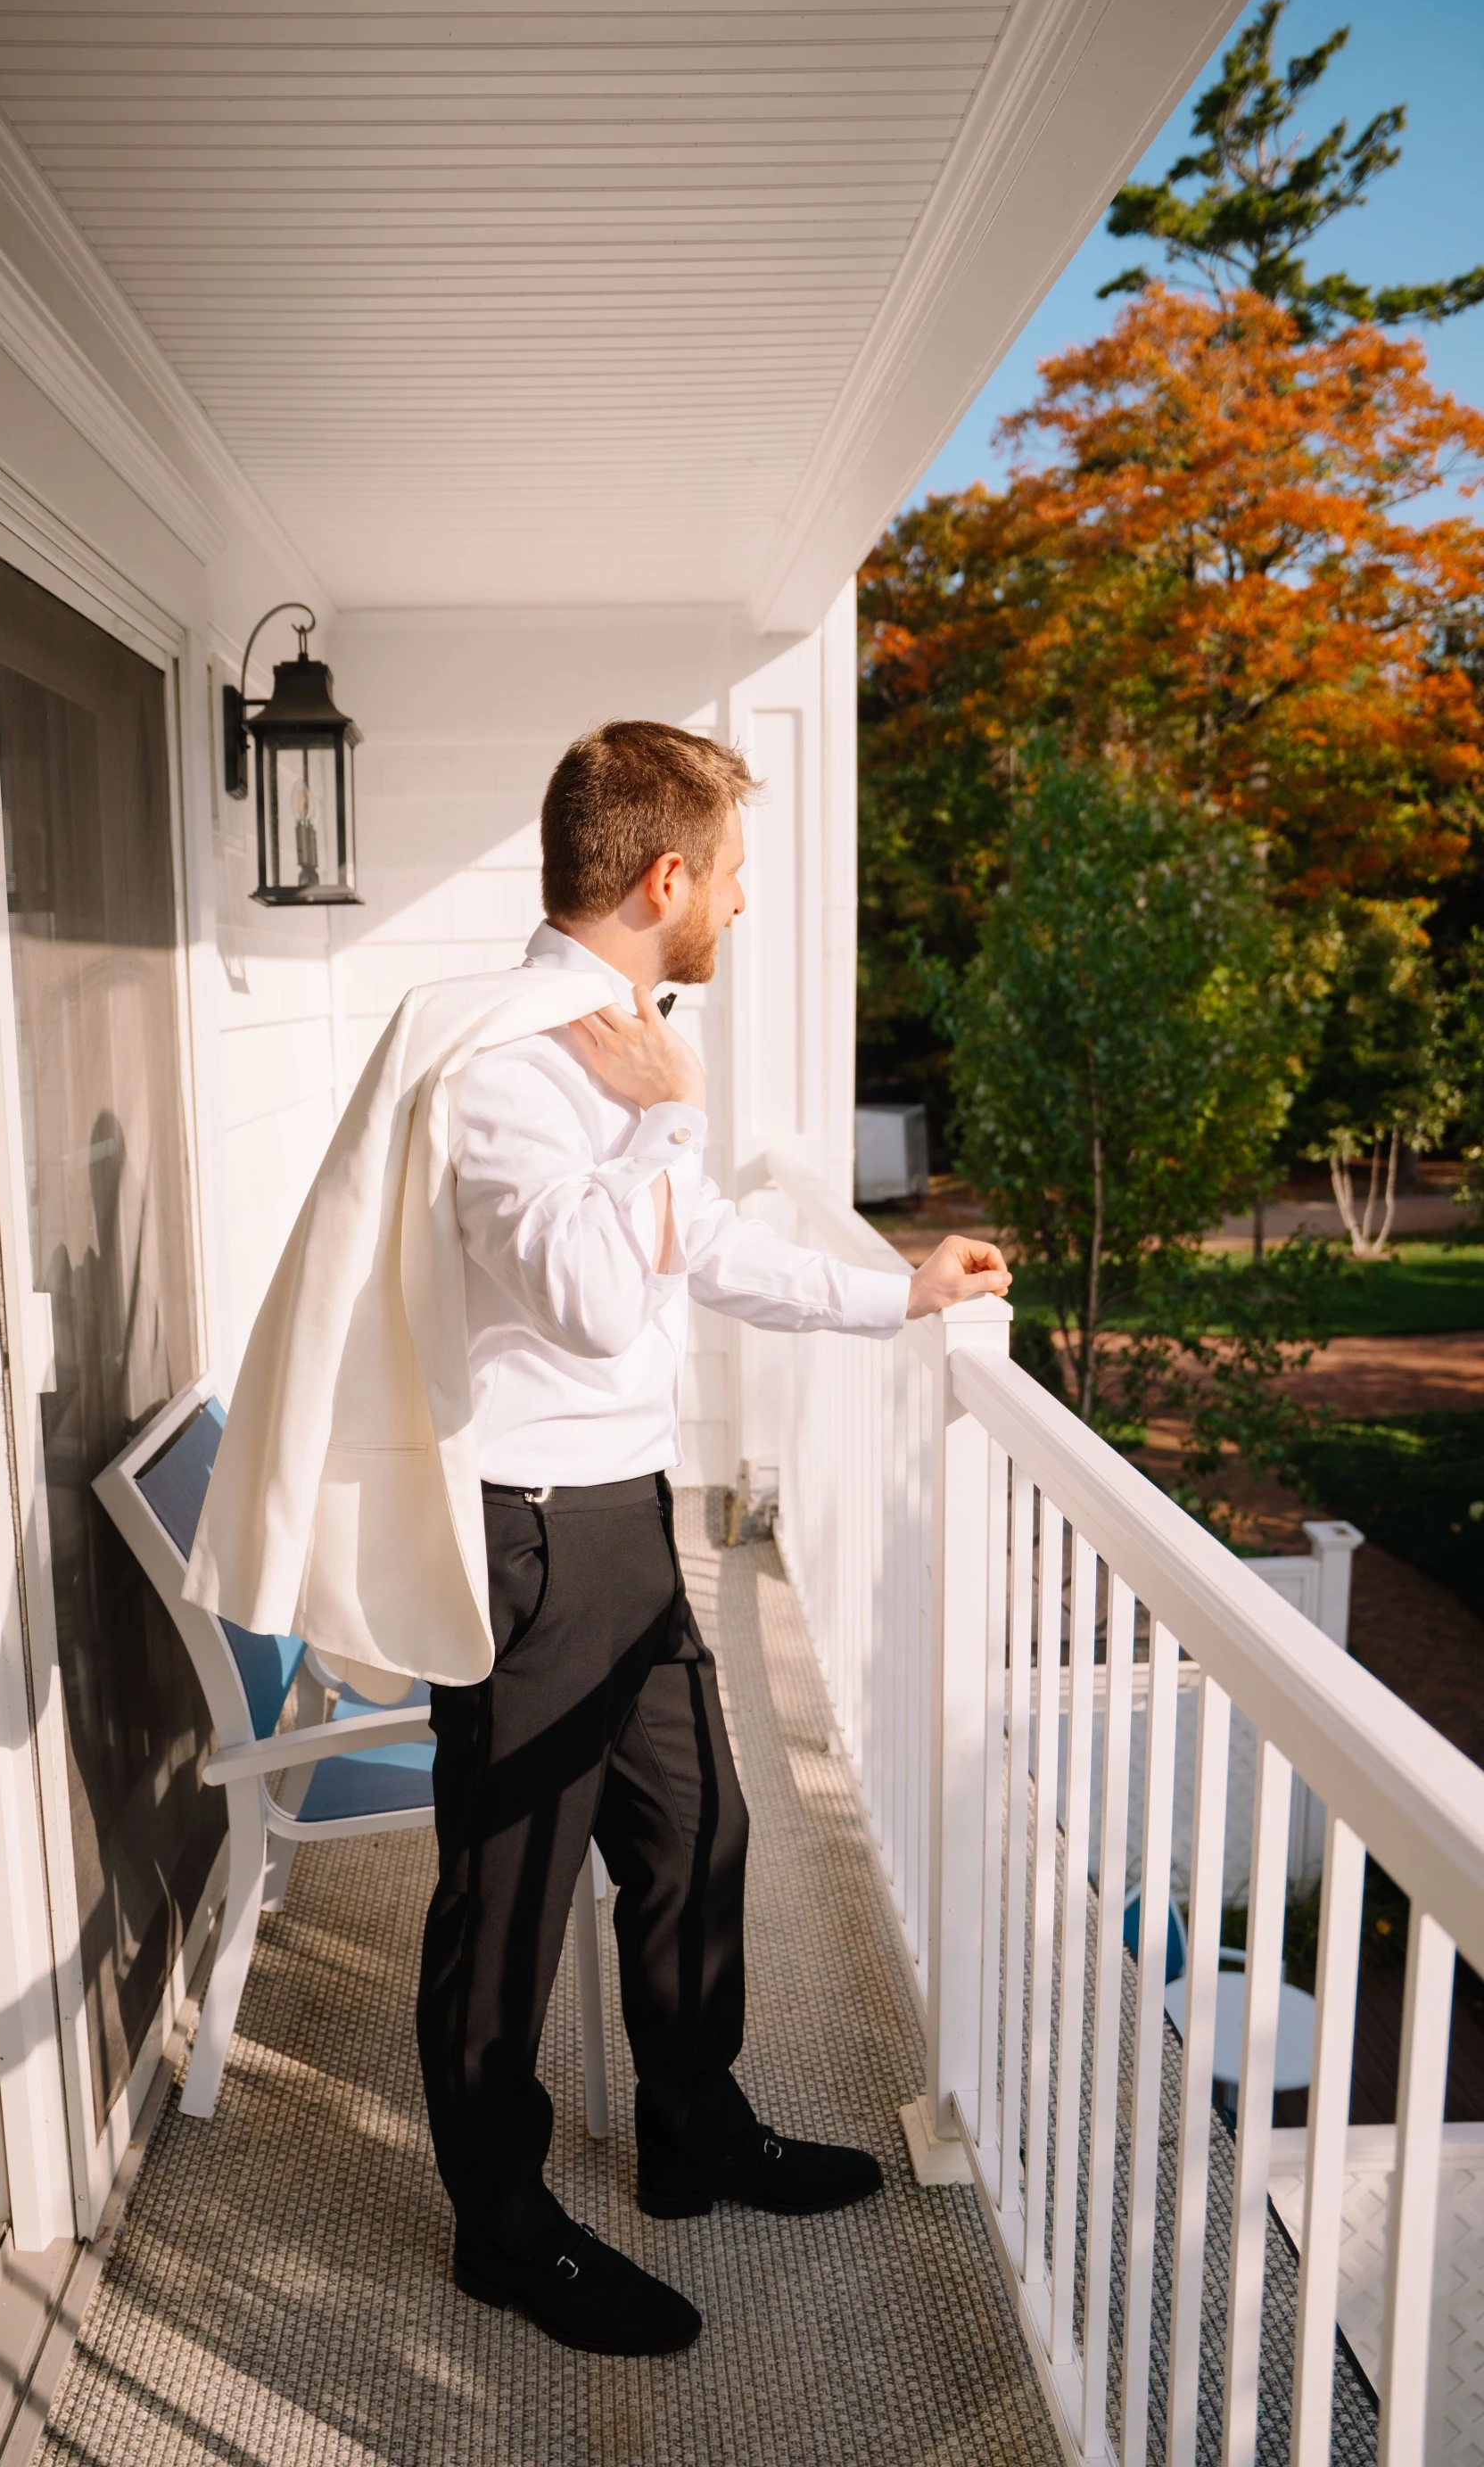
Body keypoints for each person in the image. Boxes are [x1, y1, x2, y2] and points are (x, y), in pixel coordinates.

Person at [415, 720, 1010, 2356]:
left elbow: (705, 1247)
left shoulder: (617, 1037)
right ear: (666, 877)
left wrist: (897, 1292)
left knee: (698, 1835)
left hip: (628, 1520)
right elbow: (603, 1300)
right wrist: (672, 1116)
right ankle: (503, 2223)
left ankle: (689, 2132)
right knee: (510, 1894)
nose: (742, 905)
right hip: (531, 1541)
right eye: (734, 875)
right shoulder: (509, 1065)